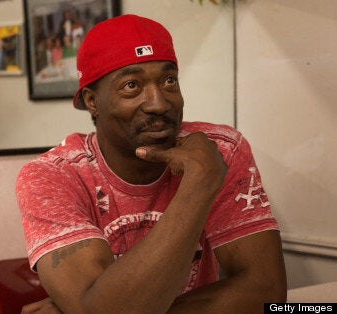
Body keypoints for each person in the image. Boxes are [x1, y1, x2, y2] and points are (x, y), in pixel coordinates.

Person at [15, 14, 286, 313]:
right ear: (92, 101)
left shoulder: (219, 149)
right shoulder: (52, 176)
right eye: (132, 85)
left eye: (169, 80)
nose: (159, 102)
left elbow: (266, 290)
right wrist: (199, 184)